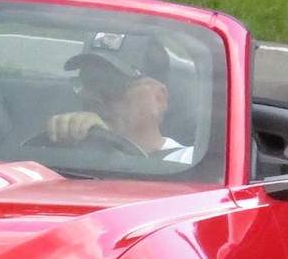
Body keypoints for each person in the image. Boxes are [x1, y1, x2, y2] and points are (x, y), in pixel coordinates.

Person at [38, 32, 192, 163]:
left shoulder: (188, 164)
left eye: (111, 85)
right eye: (86, 84)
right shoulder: (67, 159)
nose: (93, 97)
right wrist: (60, 150)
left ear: (158, 99)